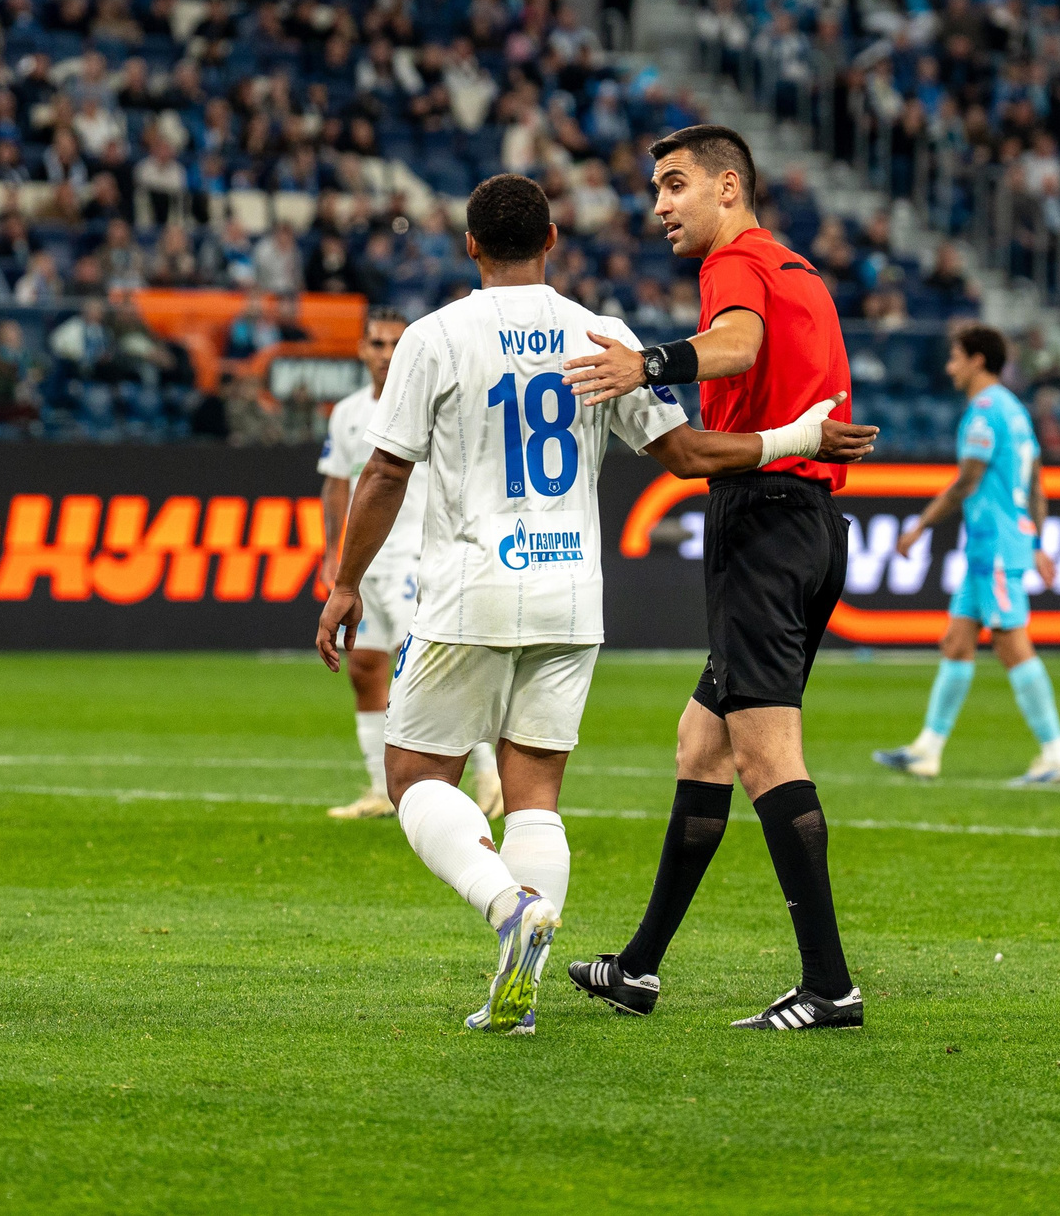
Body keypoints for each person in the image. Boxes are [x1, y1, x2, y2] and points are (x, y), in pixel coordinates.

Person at [313, 173, 873, 1035]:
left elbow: (386, 470)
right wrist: (798, 436)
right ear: (552, 244)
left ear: (470, 247)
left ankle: (507, 904)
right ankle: (523, 991)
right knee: (534, 790)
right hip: (572, 594)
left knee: (414, 776)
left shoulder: (435, 336)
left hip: (471, 588)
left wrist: (346, 580)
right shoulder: (601, 335)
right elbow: (687, 453)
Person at [559, 123, 865, 1031]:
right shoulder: (798, 269)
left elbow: (732, 345)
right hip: (810, 527)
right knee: (703, 743)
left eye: (675, 184)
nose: (660, 206)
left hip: (764, 522)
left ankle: (830, 986)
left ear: (729, 187)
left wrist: (647, 363)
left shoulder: (735, 267)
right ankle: (640, 969)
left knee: (768, 754)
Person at [316, 306, 502, 821]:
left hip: (414, 556)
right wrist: (335, 553)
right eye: (377, 344)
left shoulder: (428, 403)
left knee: (426, 666)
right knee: (366, 666)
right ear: (361, 350)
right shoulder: (347, 411)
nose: (386, 354)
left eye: (397, 344)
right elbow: (338, 483)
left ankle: (489, 775)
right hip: (366, 564)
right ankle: (380, 789)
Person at [871, 324, 1060, 786]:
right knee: (957, 642)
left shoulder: (984, 411)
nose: (950, 366)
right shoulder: (1016, 411)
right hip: (997, 543)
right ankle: (927, 749)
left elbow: (967, 481)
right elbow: (1035, 485)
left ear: (978, 360)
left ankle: (1057, 755)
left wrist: (920, 526)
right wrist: (1039, 543)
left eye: (956, 357)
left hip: (995, 544)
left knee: (1011, 644)